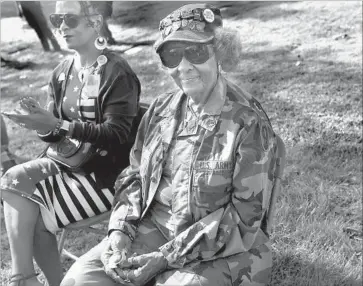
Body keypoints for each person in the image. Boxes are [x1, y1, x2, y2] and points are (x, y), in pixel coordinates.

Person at [61, 3, 279, 286]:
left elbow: (244, 219)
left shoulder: (247, 122)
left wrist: (165, 258)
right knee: (79, 280)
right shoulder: (160, 110)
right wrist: (120, 232)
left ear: (220, 52)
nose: (184, 66)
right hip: (154, 230)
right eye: (172, 56)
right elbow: (134, 178)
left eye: (196, 52)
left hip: (225, 250)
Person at [0, 1, 140, 286]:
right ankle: (23, 277)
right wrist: (42, 125)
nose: (62, 26)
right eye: (56, 19)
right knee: (11, 180)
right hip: (69, 165)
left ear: (95, 22)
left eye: (71, 20)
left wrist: (59, 125)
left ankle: (38, 281)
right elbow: (54, 132)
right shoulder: (62, 71)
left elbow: (117, 135)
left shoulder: (117, 73)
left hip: (109, 176)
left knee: (37, 217)